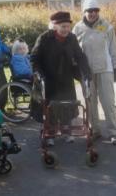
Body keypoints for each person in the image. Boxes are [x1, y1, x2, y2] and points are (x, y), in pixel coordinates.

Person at [31, 11, 90, 146]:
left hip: (66, 77)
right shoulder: (44, 38)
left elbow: (80, 56)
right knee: (50, 107)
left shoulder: (72, 38)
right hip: (49, 78)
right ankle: (50, 134)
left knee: (67, 106)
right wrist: (38, 73)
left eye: (68, 26)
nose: (66, 29)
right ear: (55, 26)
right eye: (63, 26)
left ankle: (66, 132)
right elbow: (34, 58)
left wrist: (85, 72)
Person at [73, 0, 116, 145]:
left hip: (105, 69)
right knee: (90, 102)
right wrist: (75, 67)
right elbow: (75, 50)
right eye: (90, 11)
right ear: (84, 12)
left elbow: (114, 48)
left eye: (95, 10)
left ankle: (113, 132)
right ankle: (95, 131)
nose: (93, 13)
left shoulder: (106, 26)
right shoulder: (78, 28)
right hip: (86, 72)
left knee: (108, 102)